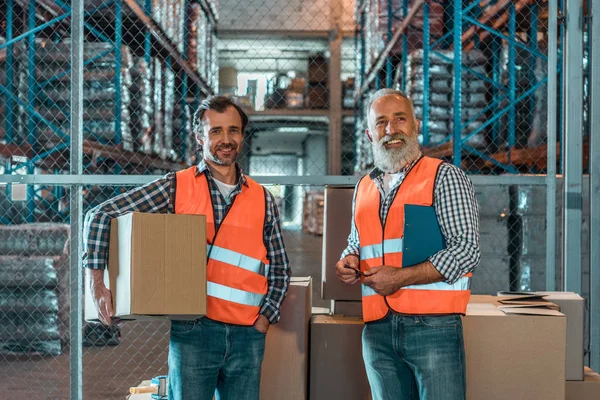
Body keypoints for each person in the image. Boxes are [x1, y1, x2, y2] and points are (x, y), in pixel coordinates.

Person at [84, 96, 291, 400]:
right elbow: (100, 215)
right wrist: (97, 282)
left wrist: (265, 317)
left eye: (233, 131)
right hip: (195, 332)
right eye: (215, 131)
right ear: (199, 138)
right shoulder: (176, 186)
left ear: (243, 136)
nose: (226, 139)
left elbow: (281, 267)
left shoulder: (262, 198)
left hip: (248, 334)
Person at [335, 89, 480, 400]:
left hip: (433, 327)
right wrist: (347, 260)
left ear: (416, 125)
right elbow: (357, 242)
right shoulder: (364, 186)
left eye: (399, 119)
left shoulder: (444, 177)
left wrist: (400, 278)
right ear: (369, 134)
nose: (391, 130)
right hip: (377, 327)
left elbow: (466, 250)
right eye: (382, 123)